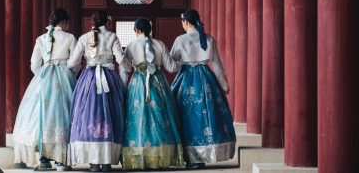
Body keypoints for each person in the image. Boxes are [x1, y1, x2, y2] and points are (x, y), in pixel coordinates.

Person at [13, 8, 78, 171]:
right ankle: (62, 161)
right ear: (63, 23)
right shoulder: (70, 37)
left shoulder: (41, 39)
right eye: (67, 22)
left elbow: (34, 64)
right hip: (64, 76)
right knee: (65, 116)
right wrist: (70, 75)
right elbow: (75, 63)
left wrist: (42, 75)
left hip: (44, 77)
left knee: (42, 116)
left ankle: (43, 158)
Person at [170, 9, 236, 168]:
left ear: (185, 22)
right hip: (206, 79)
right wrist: (224, 85)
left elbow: (172, 62)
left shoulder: (181, 39)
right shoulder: (209, 39)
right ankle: (204, 154)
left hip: (186, 78)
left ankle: (190, 157)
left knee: (185, 116)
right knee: (206, 115)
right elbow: (217, 64)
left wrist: (182, 63)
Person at [119, 18, 185, 170]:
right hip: (158, 82)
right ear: (150, 30)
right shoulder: (159, 44)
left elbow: (125, 69)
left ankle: (138, 154)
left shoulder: (131, 45)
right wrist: (184, 61)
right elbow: (171, 67)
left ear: (136, 30)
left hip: (137, 84)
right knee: (161, 115)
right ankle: (163, 154)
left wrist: (123, 88)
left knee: (137, 116)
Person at [67, 11, 125, 172]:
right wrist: (125, 69)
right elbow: (121, 60)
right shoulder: (112, 36)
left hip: (88, 79)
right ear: (107, 22)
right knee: (111, 115)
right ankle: (107, 161)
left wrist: (78, 69)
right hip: (109, 79)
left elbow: (72, 62)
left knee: (87, 115)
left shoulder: (84, 38)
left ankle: (93, 162)